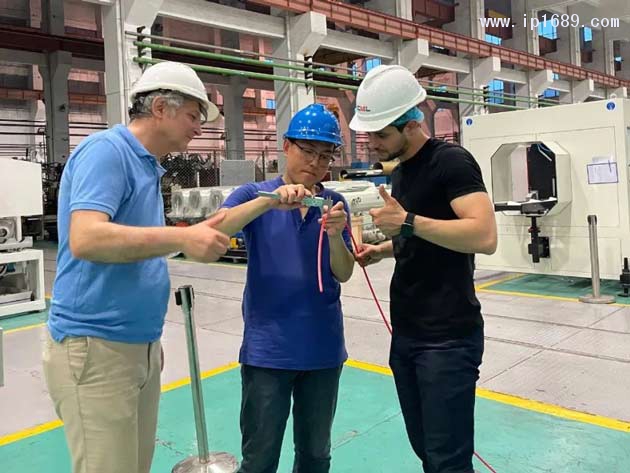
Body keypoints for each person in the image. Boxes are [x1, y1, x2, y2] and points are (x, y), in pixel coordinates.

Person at [43, 61, 230, 473]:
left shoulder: (147, 166)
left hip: (135, 345)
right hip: (95, 347)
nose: (198, 127)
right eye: (193, 116)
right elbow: (87, 238)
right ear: (160, 108)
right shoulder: (107, 152)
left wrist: (146, 342)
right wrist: (182, 238)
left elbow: (135, 251)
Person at [349, 65, 497, 473]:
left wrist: (408, 222)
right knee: (426, 451)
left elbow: (484, 235)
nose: (373, 144)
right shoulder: (402, 171)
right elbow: (424, 237)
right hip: (408, 334)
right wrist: (384, 249)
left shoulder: (451, 162)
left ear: (411, 125)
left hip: (447, 339)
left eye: (381, 135)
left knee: (448, 460)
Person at [214, 103, 355, 473]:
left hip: (323, 350)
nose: (315, 162)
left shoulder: (335, 204)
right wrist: (269, 203)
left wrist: (336, 235)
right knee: (259, 460)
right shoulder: (254, 194)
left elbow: (343, 273)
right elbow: (216, 228)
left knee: (315, 456)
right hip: (268, 352)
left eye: (325, 155)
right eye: (308, 151)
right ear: (287, 146)